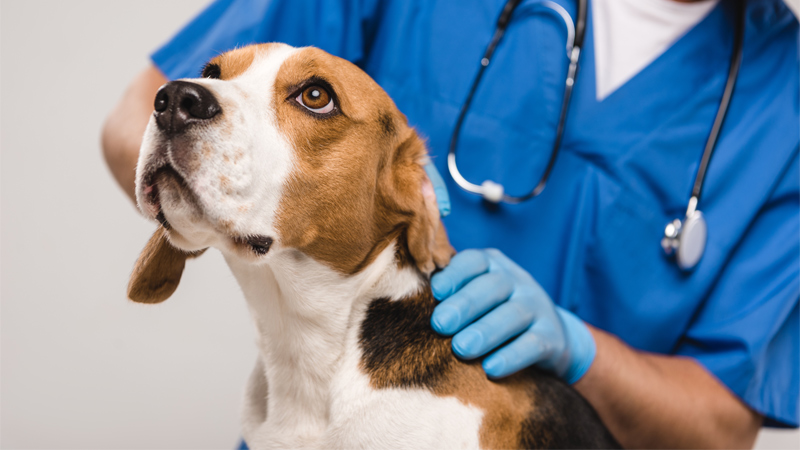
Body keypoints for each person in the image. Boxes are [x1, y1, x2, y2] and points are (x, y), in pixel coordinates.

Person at [102, 0, 799, 448]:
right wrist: (227, 209)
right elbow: (139, 119)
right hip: (308, 407)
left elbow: (719, 422)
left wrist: (577, 347)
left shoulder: (786, 96)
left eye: (312, 98)